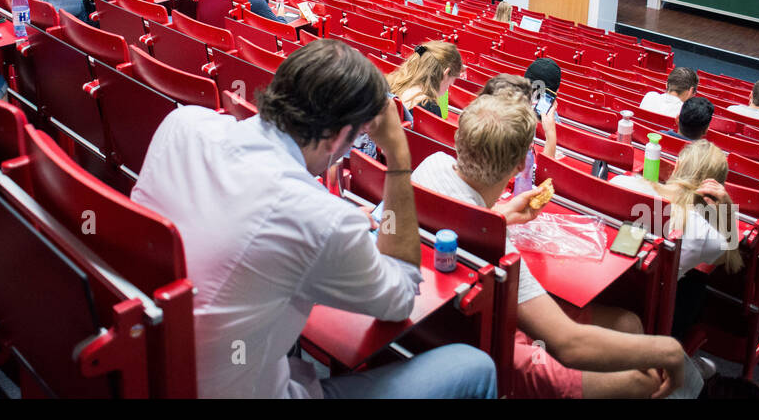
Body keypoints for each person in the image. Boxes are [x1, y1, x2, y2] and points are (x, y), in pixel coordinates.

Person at [130, 39, 497, 398]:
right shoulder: (319, 219)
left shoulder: (183, 123)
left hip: (152, 368)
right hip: (245, 386)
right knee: (474, 366)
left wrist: (325, 215)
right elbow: (400, 298)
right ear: (338, 138)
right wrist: (399, 159)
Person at [412, 94, 694, 399]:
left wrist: (500, 216)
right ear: (521, 163)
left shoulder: (431, 165)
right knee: (646, 380)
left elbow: (458, 214)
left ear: (458, 137)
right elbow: (569, 343)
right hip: (491, 350)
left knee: (627, 322)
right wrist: (669, 349)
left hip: (435, 326)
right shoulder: (496, 246)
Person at [609, 139, 743, 345]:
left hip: (608, 291)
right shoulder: (706, 235)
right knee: (697, 283)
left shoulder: (623, 183)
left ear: (677, 166)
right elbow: (732, 256)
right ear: (717, 188)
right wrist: (725, 207)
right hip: (647, 310)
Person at [387, 40, 464, 120]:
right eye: (449, 84)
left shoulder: (390, 84)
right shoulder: (429, 107)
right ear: (445, 74)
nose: (446, 90)